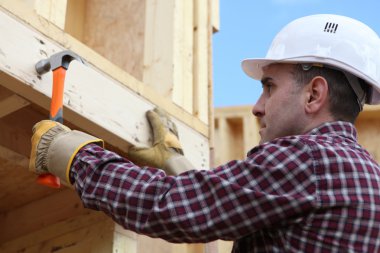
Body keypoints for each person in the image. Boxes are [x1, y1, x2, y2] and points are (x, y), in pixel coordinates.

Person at [29, 14, 380, 252]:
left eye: (269, 87)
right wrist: (177, 165)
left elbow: (167, 208)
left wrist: (75, 156)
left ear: (314, 94)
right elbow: (235, 212)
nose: (258, 106)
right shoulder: (360, 174)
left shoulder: (310, 160)